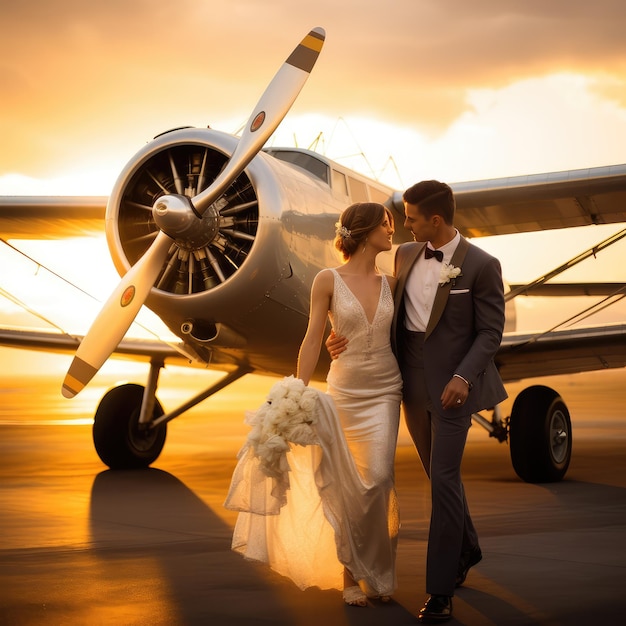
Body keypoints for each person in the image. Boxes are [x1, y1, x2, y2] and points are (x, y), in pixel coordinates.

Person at [327, 181, 507, 622]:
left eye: (410, 217)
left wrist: (464, 376)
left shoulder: (483, 265)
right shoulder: (406, 255)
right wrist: (341, 337)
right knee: (437, 474)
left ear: (436, 220)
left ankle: (441, 591)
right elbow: (375, 308)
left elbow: (490, 333)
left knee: (443, 480)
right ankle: (468, 546)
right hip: (404, 387)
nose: (403, 224)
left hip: (453, 391)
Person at [225, 202, 403, 607]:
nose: (391, 231)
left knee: (377, 480)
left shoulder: (394, 282)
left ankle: (377, 569)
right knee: (345, 484)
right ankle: (353, 577)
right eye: (385, 224)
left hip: (385, 391)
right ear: (363, 231)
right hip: (345, 391)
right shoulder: (327, 280)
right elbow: (311, 338)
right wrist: (298, 393)